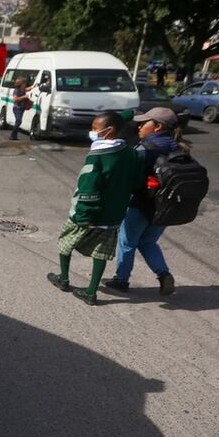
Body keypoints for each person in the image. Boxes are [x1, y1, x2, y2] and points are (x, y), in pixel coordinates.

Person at [47, 111, 140, 306]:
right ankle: (91, 291)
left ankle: (63, 279)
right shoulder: (131, 153)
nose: (92, 132)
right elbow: (137, 183)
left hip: (90, 211)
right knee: (101, 252)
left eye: (95, 129)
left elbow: (89, 186)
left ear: (109, 131)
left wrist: (82, 214)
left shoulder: (97, 155)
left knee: (66, 241)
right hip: (114, 214)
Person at [104, 107, 183, 295]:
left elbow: (124, 175)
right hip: (166, 206)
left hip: (140, 204)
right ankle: (163, 274)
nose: (139, 126)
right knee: (148, 242)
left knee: (127, 242)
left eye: (144, 122)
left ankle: (121, 280)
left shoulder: (144, 148)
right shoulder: (178, 147)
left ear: (157, 126)